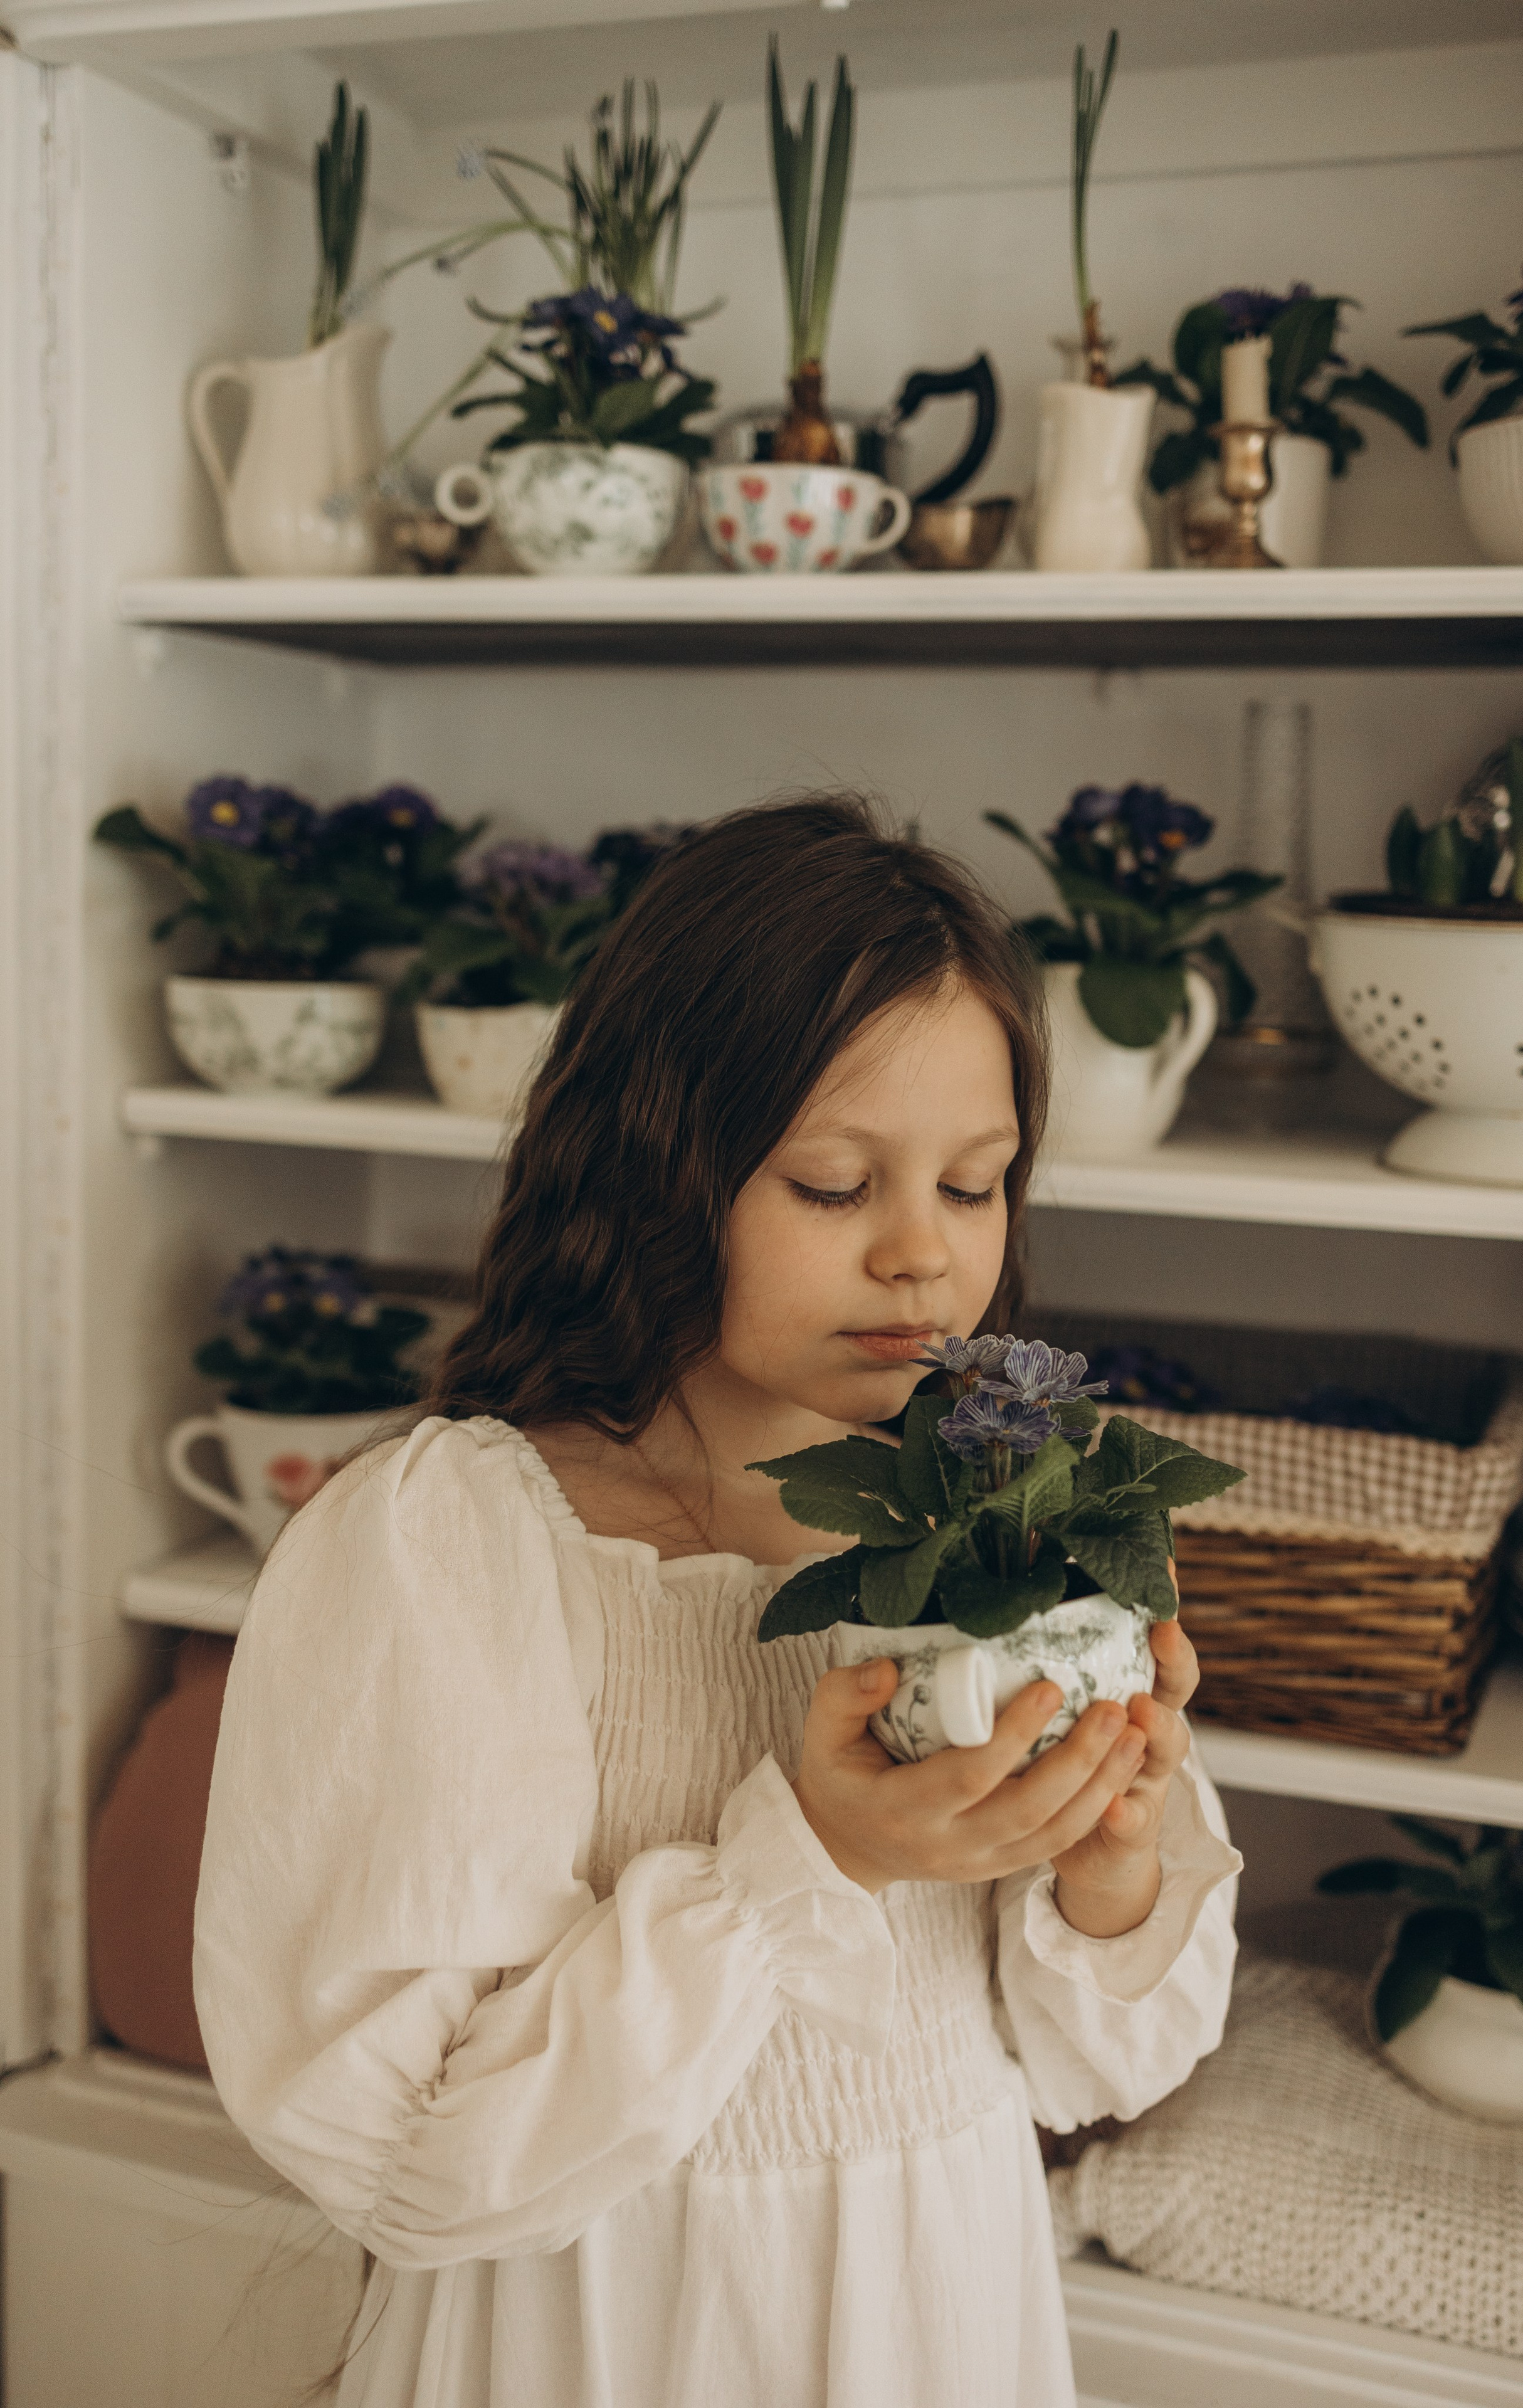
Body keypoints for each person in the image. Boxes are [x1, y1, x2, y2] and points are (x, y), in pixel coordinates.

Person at [194, 794, 1240, 2408]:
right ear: (656, 1170)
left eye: (973, 1186)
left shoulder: (1008, 1529)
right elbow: (413, 2167)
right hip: (595, 2340)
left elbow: (1107, 2056)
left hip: (930, 2318)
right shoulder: (456, 1548)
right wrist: (804, 1860)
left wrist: (1100, 1865)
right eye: (833, 1185)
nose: (920, 1257)